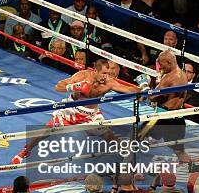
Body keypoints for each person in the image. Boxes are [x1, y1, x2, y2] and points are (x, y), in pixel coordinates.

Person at [12, 59, 140, 164]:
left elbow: (130, 90)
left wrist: (143, 86)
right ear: (95, 71)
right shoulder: (83, 76)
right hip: (71, 110)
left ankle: (127, 159)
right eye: (103, 73)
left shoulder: (109, 83)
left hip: (91, 115)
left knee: (108, 135)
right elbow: (58, 86)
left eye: (108, 74)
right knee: (46, 131)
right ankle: (25, 151)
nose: (106, 77)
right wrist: (73, 86)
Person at [145, 50, 190, 162]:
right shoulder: (181, 75)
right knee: (179, 151)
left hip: (162, 117)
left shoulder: (171, 78)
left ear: (169, 62)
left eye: (161, 64)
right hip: (177, 117)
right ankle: (193, 171)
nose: (160, 67)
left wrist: (145, 85)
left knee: (136, 136)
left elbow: (151, 97)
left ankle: (125, 170)